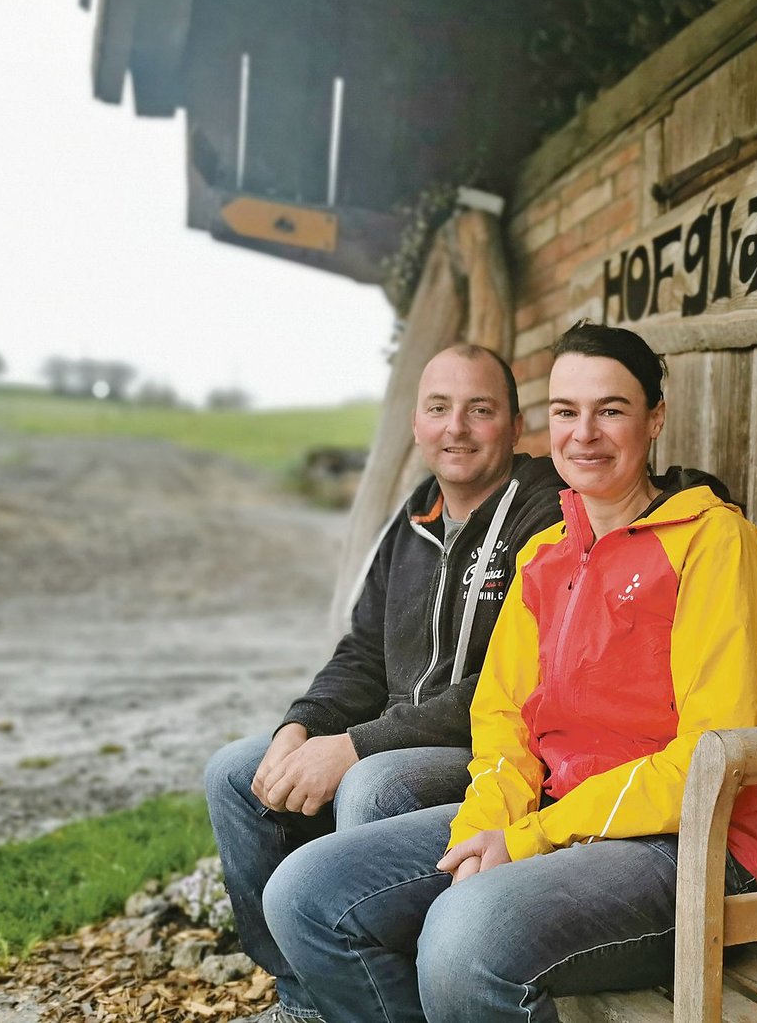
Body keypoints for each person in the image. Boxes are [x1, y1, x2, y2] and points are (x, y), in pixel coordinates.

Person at [261, 321, 757, 1022]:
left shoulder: (714, 542)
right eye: (567, 412)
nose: (585, 433)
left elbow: (708, 758)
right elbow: (503, 724)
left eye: (613, 410)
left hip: (691, 844)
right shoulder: (546, 555)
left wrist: (525, 842)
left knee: (463, 938)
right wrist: (484, 830)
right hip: (555, 821)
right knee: (305, 894)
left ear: (655, 419)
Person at [205, 344, 564, 1023]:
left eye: (479, 410)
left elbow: (514, 684)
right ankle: (309, 998)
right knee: (234, 773)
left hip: (495, 751)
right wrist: (301, 726)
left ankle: (399, 999)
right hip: (398, 737)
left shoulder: (544, 513)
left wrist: (356, 746)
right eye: (438, 408)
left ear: (516, 428)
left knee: (377, 780)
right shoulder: (415, 518)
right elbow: (363, 651)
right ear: (416, 425)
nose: (455, 427)